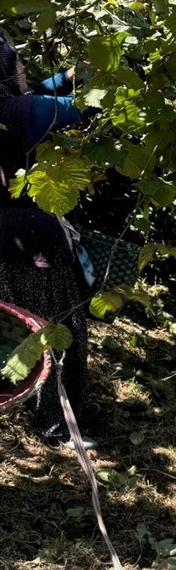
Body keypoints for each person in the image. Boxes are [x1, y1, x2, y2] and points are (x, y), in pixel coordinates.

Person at [0, 34, 97, 447]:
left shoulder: (11, 108)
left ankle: (30, 405)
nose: (25, 69)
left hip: (8, 244)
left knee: (14, 329)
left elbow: (39, 97)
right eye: (18, 63)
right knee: (56, 328)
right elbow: (76, 109)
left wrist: (69, 76)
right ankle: (57, 423)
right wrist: (106, 79)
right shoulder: (15, 111)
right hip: (28, 242)